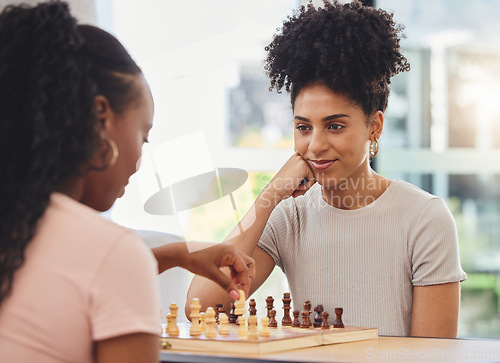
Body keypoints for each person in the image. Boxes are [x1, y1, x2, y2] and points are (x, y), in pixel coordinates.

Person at [187, 0, 467, 337]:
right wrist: (270, 195)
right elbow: (199, 308)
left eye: (334, 126)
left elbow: (433, 357)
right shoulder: (288, 216)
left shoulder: (424, 218)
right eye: (303, 127)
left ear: (374, 127)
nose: (315, 145)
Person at [0, 1, 253, 362]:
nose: (141, 157)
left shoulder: (18, 225)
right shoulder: (112, 252)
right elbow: (99, 269)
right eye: (143, 134)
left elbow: (72, 280)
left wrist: (177, 254)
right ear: (101, 117)